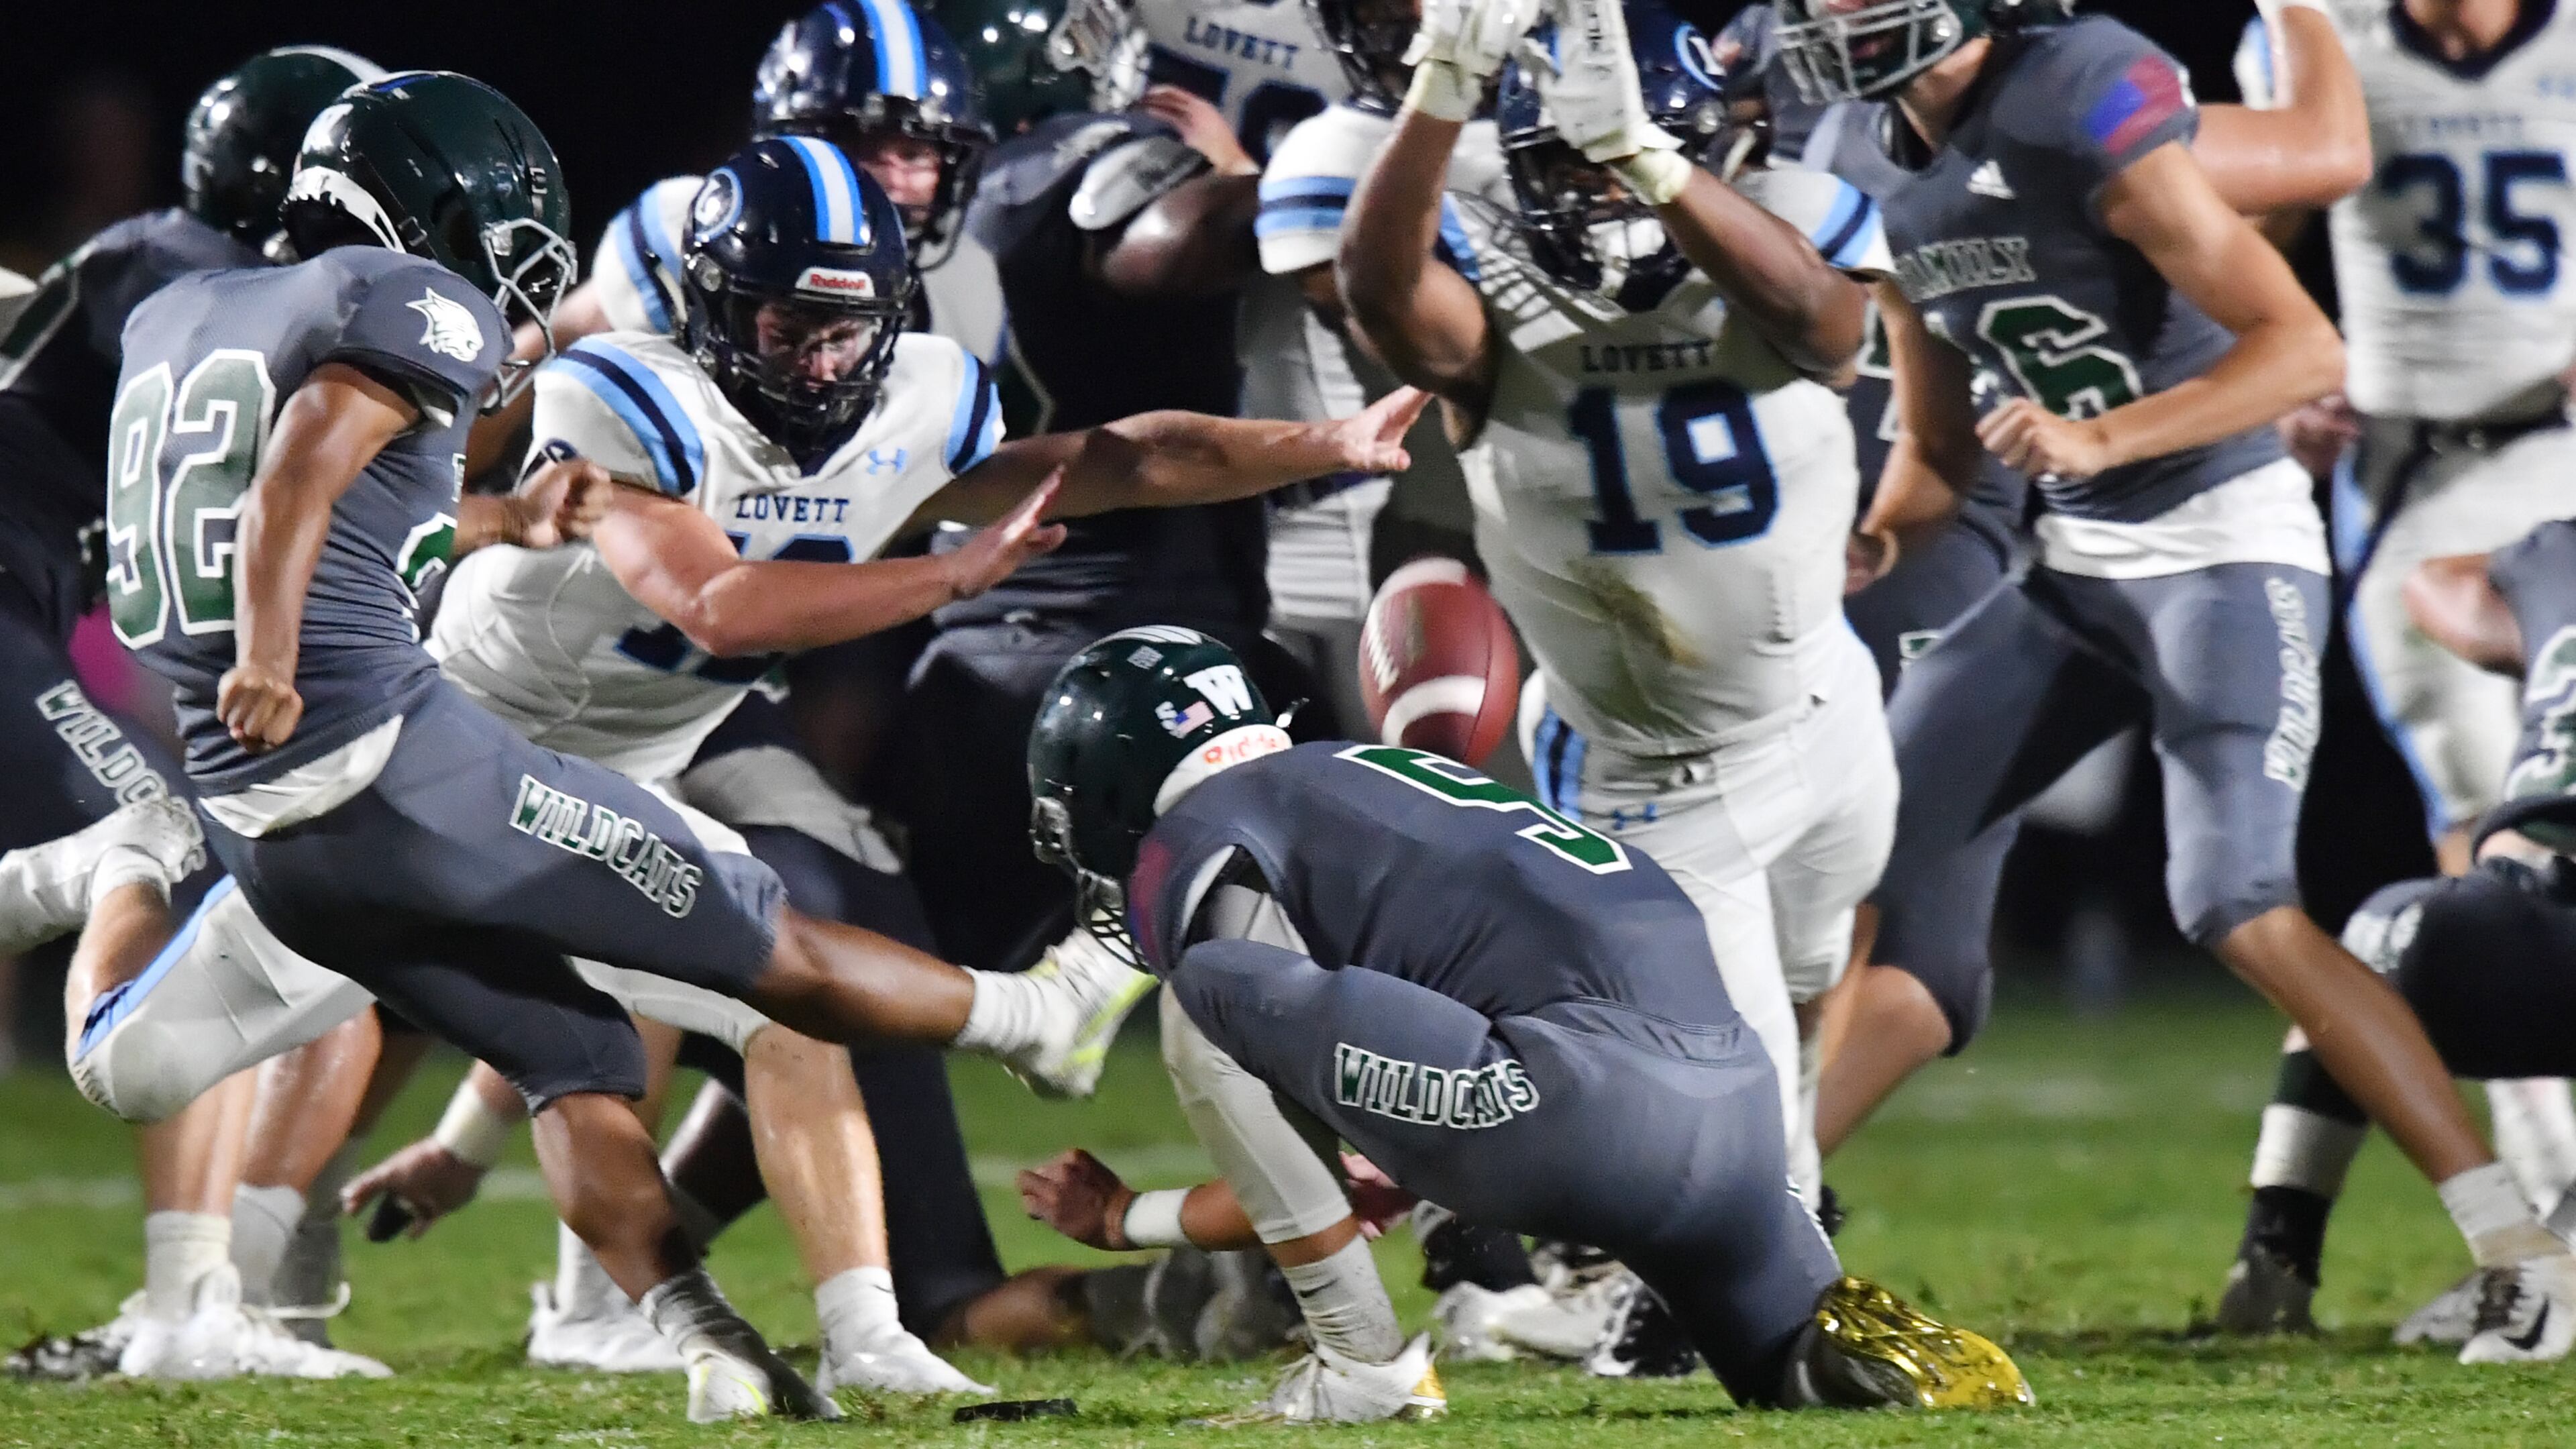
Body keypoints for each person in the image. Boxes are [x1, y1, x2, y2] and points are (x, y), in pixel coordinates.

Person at [1774, 0, 2576, 1362]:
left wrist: (2109, 437)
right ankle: (1759, 1218)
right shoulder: (1856, 150)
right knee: (1859, 853)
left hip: (2223, 545)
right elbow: (1936, 442)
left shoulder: (2076, 92)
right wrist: (1869, 540)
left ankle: (2520, 1247)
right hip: (2073, 570)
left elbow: (2304, 349)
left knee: (2236, 903)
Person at [1012, 625, 2031, 1419]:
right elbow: (1329, 1178)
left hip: (1568, 1114)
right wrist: (1130, 1219)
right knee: (1793, 1376)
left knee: (1207, 991)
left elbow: (1285, 1144)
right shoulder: (1365, 791)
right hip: (1736, 1119)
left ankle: (1362, 1370)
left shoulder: (1208, 827)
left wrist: (1128, 1213)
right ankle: (1870, 1349)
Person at [1338, 0, 1893, 1317]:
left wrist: (1648, 158)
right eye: (1568, 168)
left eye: (1616, 162)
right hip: (1656, 766)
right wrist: (1444, 87)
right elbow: (1380, 298)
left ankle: (1690, 1249)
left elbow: (1830, 326)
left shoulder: (1790, 218)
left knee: (1809, 993)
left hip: (1824, 706)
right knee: (1735, 1078)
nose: (1598, 197)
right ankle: (1728, 1301)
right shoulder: (1492, 298)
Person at [0, 45, 395, 1385]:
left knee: (283, 917)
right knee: (179, 869)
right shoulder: (191, 278)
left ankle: (219, 1295)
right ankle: (186, 1310)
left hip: (30, 606)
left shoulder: (156, 267)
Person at [2218, 0, 2576, 1332]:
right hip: (2411, 479)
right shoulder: (2321, 31)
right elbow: (2238, 243)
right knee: (2500, 854)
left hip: (2558, 453)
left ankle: (2534, 1241)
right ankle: (2548, 1231)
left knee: (2515, 863)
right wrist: (2276, 366)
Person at [2219, 519, 2576, 1352]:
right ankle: (2556, 1253)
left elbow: (2437, 583)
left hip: (2522, 923)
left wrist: (2538, 639)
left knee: (2368, 952)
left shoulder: (2558, 553)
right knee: (2366, 957)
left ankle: (2278, 1259)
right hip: (2533, 927)